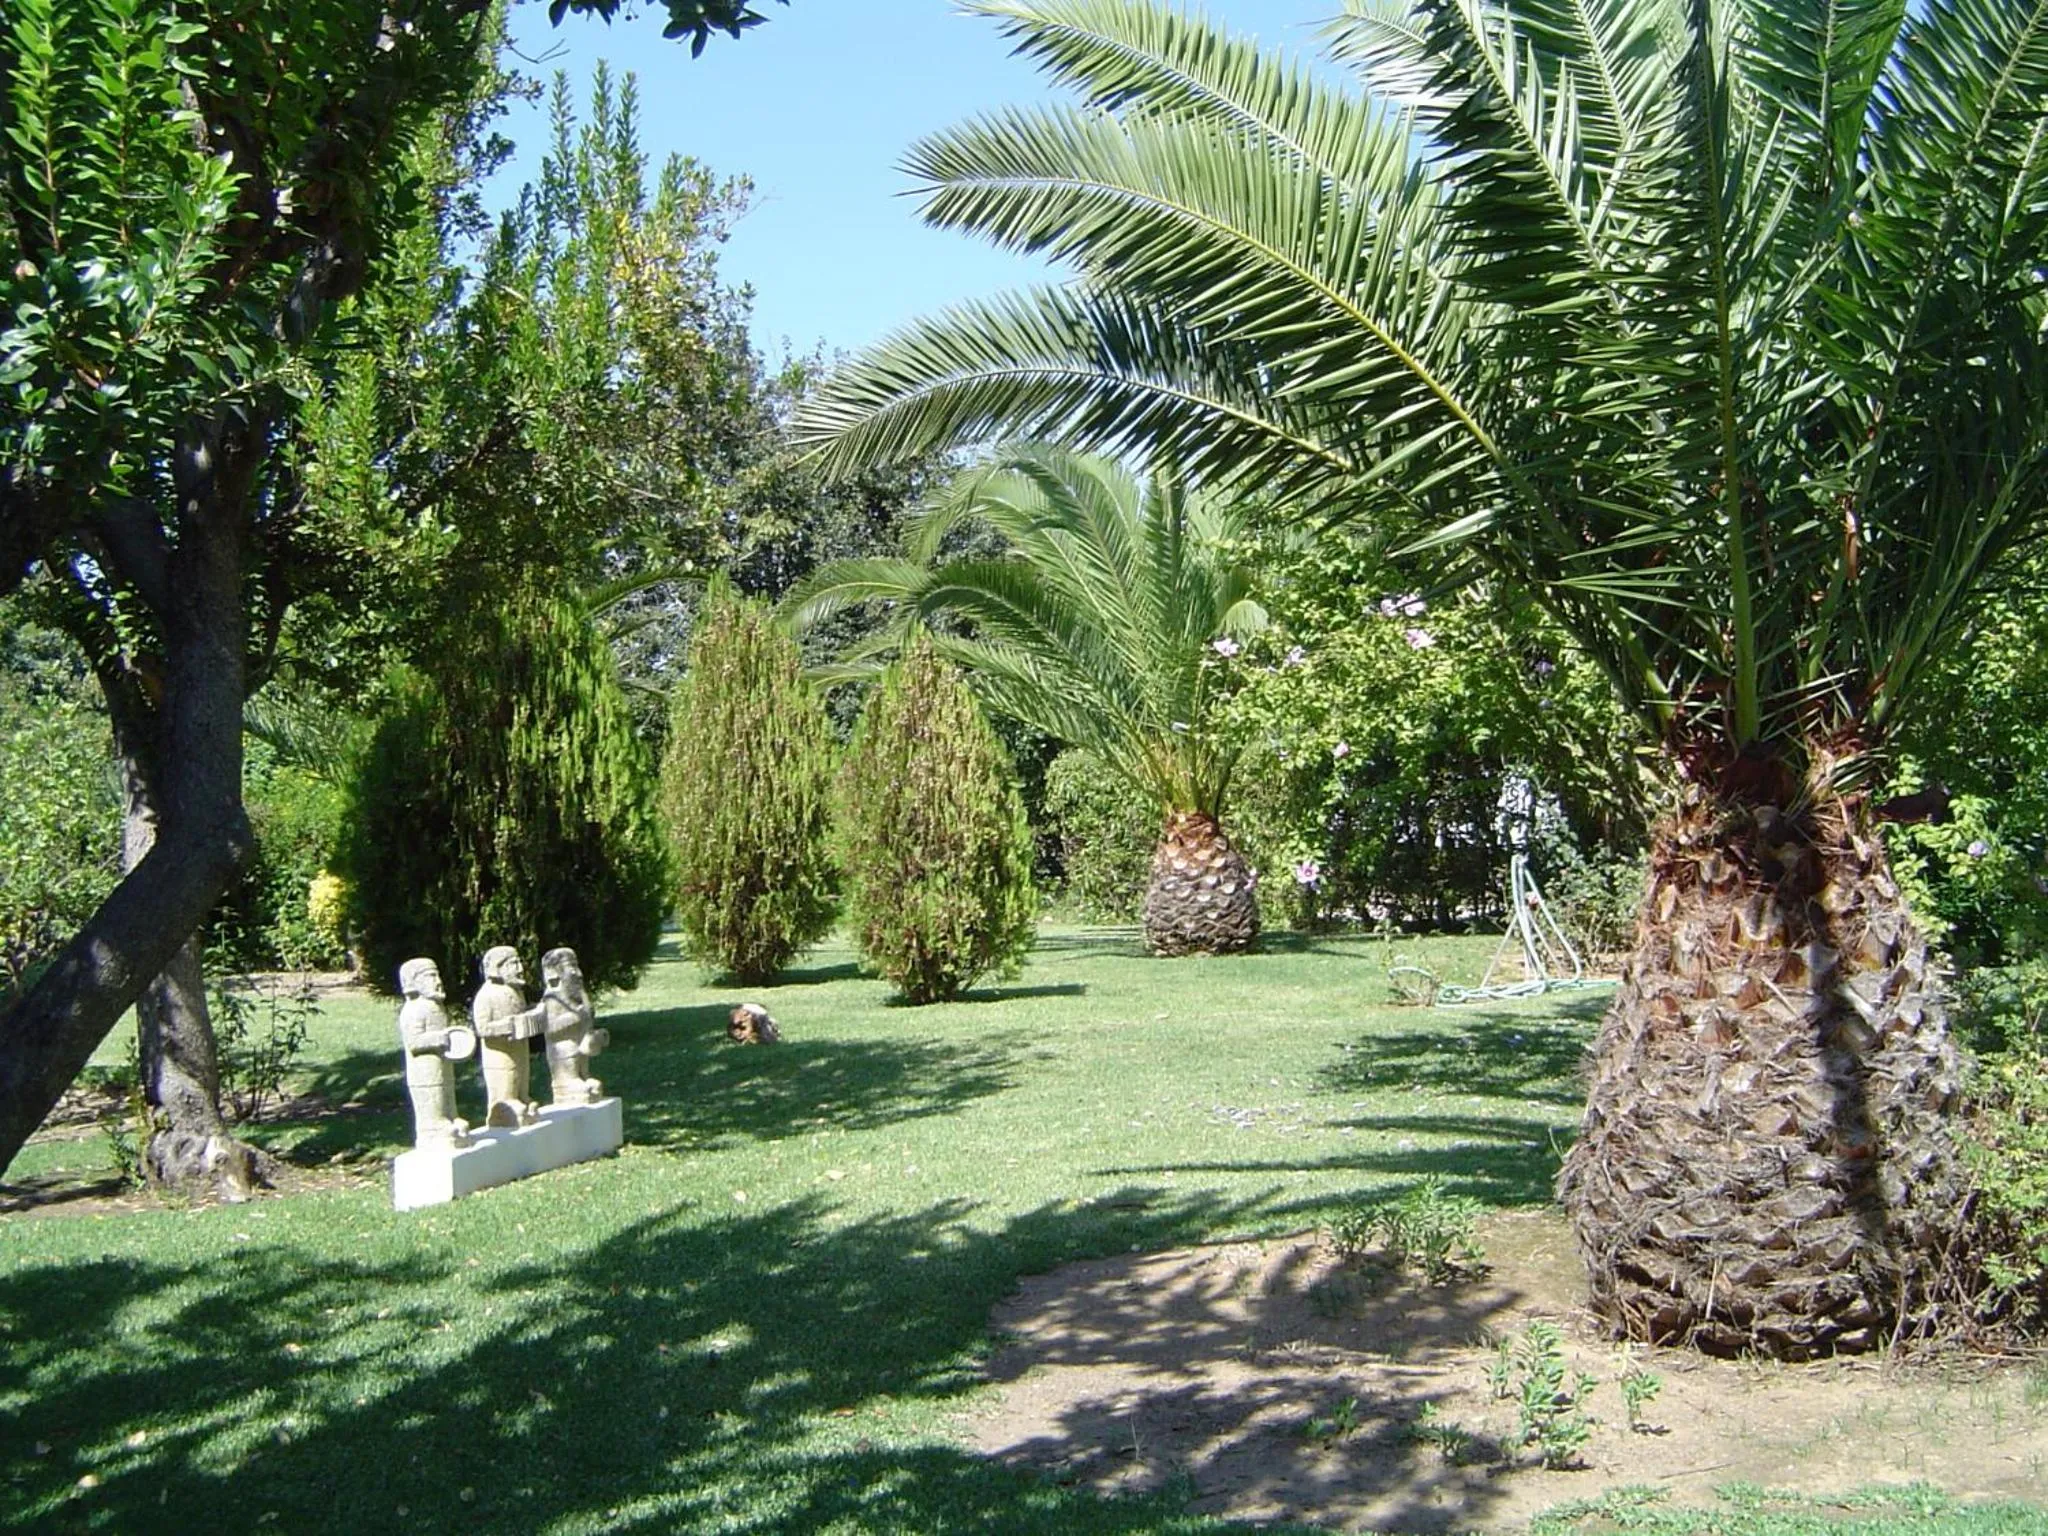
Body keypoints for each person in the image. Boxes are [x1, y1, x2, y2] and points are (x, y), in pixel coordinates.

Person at [396, 959, 473, 1148]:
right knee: (432, 1096)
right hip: (424, 1070)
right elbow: (414, 1042)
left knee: (446, 1091)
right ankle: (432, 1128)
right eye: (431, 976)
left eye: (437, 975)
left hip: (442, 1063)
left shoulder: (436, 1007)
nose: (438, 981)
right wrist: (440, 1038)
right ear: (413, 982)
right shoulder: (413, 1010)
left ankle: (450, 1117)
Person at [471, 946, 543, 1128]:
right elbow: (482, 1028)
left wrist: (534, 1013)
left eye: (519, 963)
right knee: (507, 1078)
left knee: (522, 1074)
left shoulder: (517, 991)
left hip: (519, 1047)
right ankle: (503, 1107)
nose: (520, 968)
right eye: (513, 964)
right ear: (497, 969)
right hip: (500, 1053)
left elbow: (521, 1012)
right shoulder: (486, 995)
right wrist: (509, 1025)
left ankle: (522, 1097)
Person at [538, 947, 609, 1106]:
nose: (578, 973)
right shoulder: (553, 998)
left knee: (582, 1055)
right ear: (555, 972)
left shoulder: (577, 995)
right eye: (571, 967)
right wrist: (575, 1017)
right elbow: (550, 1029)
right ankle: (565, 1083)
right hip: (563, 1050)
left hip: (581, 1044)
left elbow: (587, 1014)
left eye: (577, 967)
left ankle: (583, 1076)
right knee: (566, 1048)